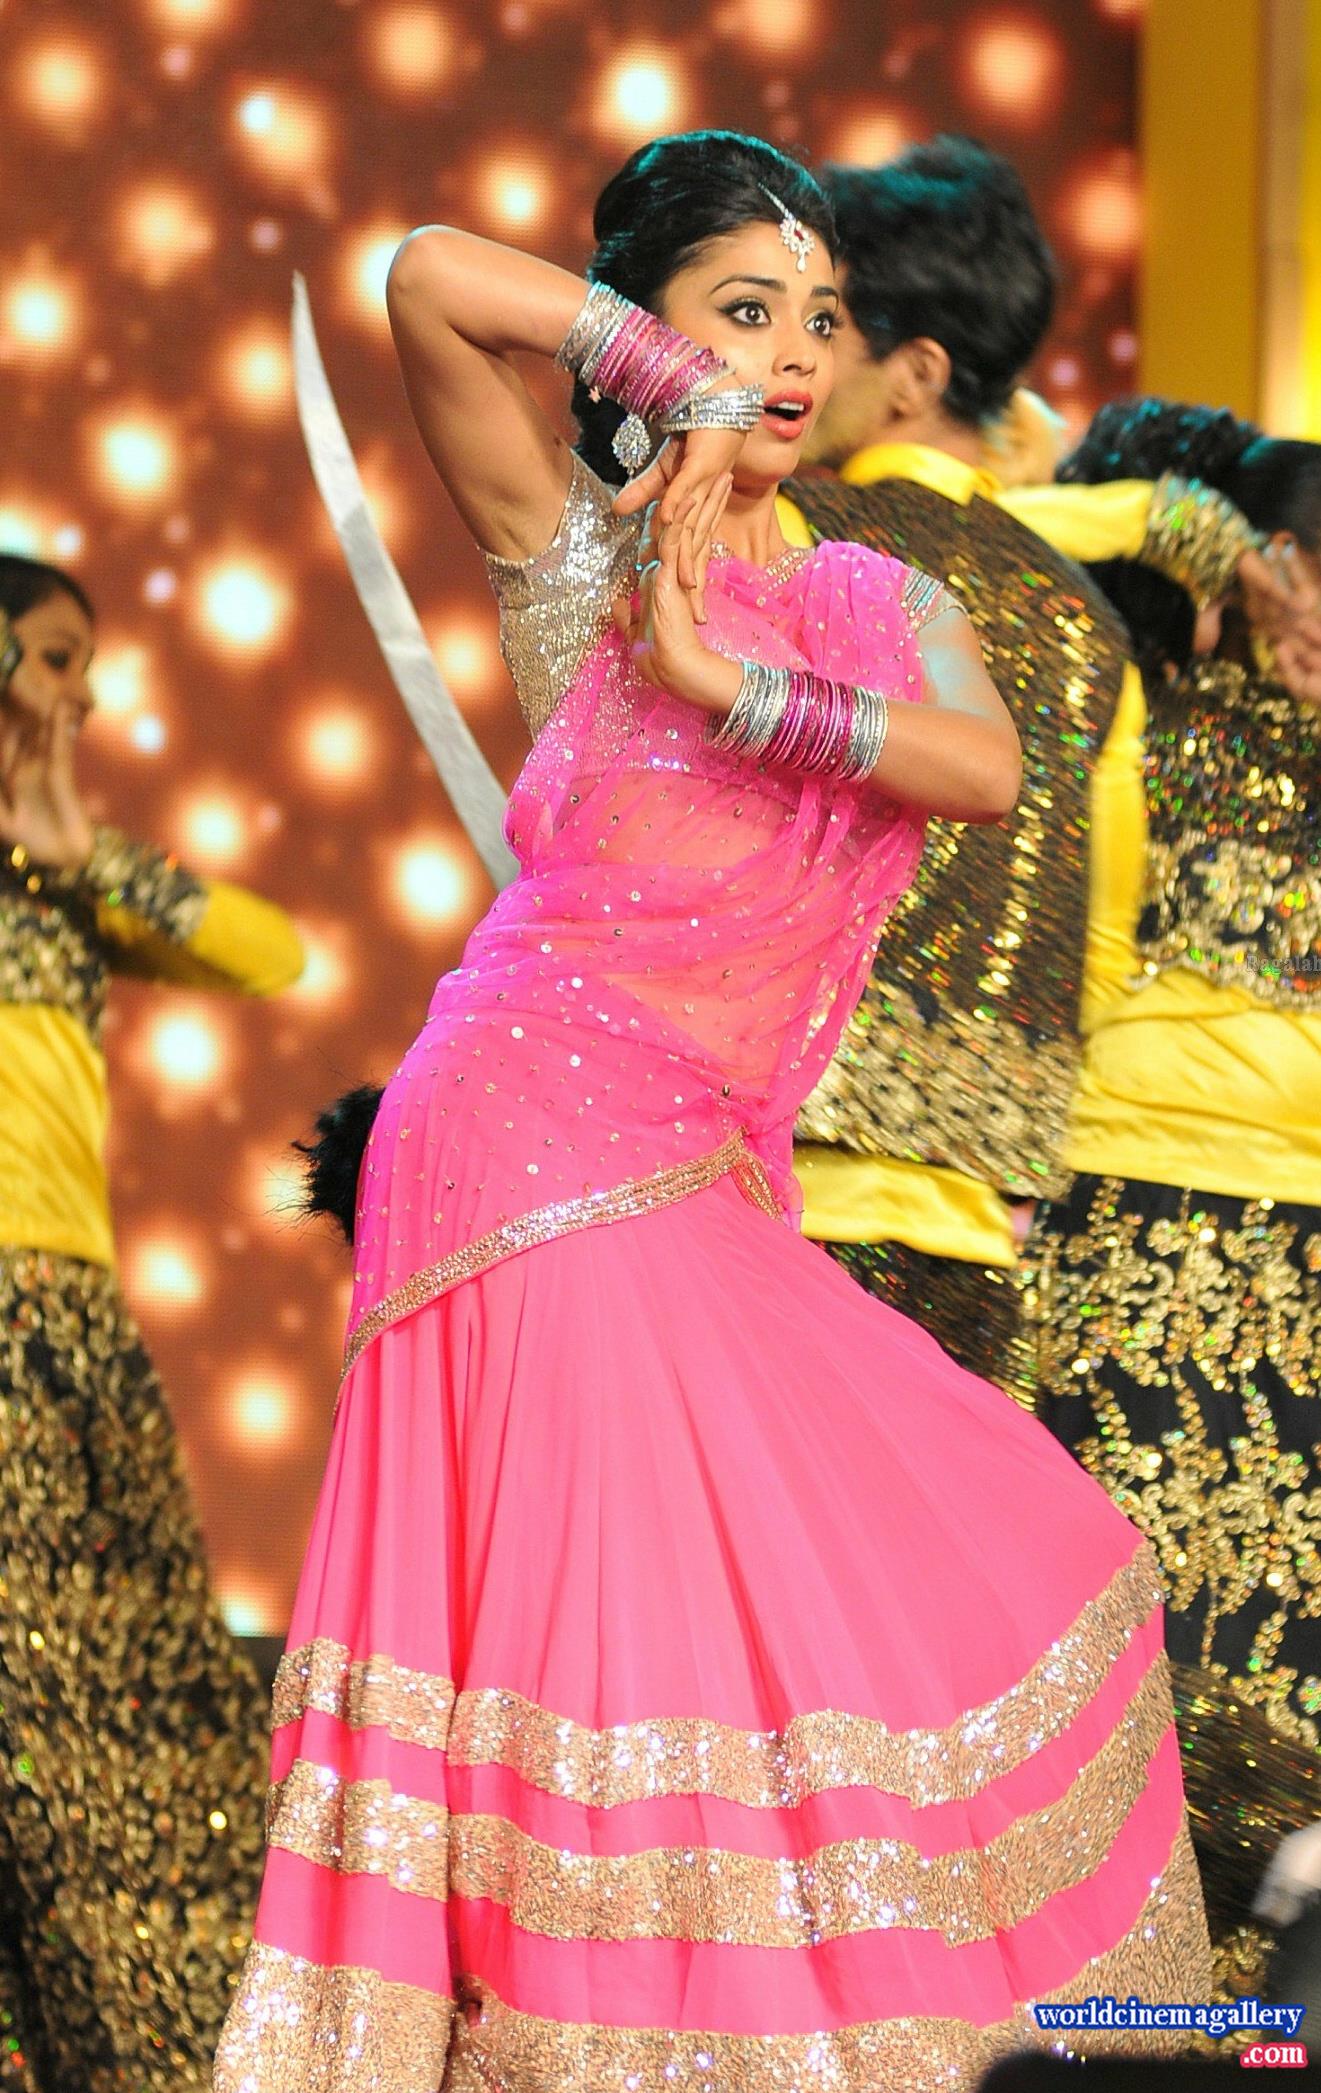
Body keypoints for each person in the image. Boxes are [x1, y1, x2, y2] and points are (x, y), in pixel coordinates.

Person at [215, 132, 1209, 2090]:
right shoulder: (573, 547)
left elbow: (981, 767)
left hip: (697, 1162)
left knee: (996, 1553)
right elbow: (426, 277)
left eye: (816, 316)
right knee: (618, 1639)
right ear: (637, 338)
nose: (790, 353)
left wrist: (734, 687)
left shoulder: (866, 591)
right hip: (524, 1133)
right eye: (740, 310)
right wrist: (666, 394)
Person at [781, 137, 1304, 1389]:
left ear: (914, 372)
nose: (792, 362)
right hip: (976, 1240)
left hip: (768, 1187)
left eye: (822, 324)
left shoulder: (791, 537)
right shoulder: (1089, 630)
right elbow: (1097, 952)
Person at [1016, 400, 1321, 1988]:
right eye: (1308, 569)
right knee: (1125, 1662)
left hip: (1307, 1272)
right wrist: (1184, 528)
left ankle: (1262, 2036)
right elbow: (968, 543)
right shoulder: (1147, 683)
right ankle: (1099, 2040)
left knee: (1285, 1682)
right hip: (1124, 1225)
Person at [0, 555, 305, 2091]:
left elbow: (270, 952)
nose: (82, 694)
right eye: (56, 658)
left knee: (114, 1700)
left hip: (64, 1328)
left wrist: (82, 853)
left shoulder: (65, 878)